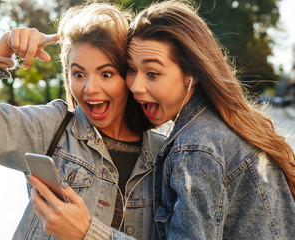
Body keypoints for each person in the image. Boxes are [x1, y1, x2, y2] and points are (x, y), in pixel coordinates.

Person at [0, 2, 164, 240]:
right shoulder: (53, 128)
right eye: (78, 74)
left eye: (106, 74)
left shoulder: (163, 154)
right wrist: (2, 49)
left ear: (129, 76)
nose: (89, 88)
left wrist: (87, 233)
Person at [125, 0, 295, 239]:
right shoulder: (230, 126)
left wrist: (89, 232)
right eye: (131, 69)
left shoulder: (196, 148)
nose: (135, 86)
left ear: (191, 74)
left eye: (152, 73)